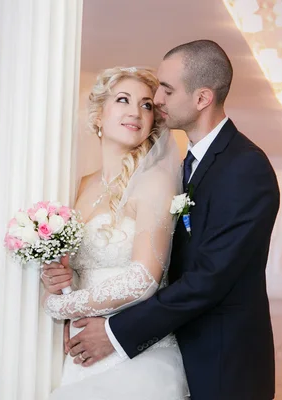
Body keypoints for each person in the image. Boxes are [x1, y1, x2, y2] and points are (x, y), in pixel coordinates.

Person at [46, 40, 280, 400]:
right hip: (151, 335)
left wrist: (102, 326)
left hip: (220, 356)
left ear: (202, 98)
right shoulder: (185, 165)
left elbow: (208, 278)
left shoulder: (245, 167)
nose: (156, 102)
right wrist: (64, 282)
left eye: (165, 91)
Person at [40, 66, 190, 399]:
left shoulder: (155, 182)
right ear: (98, 115)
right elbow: (78, 272)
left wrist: (61, 307)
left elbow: (143, 279)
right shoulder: (78, 187)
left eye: (147, 104)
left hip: (135, 354)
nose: (135, 111)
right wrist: (58, 280)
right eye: (123, 100)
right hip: (79, 355)